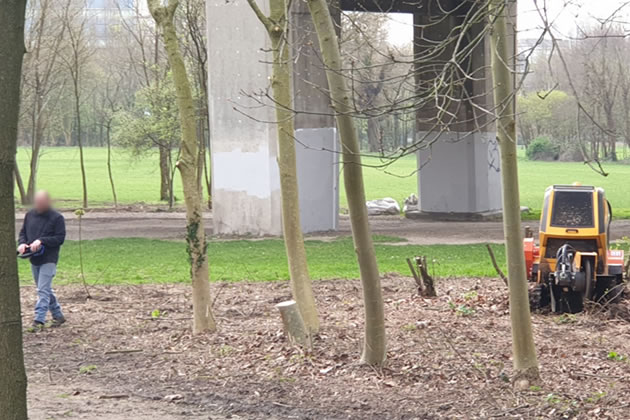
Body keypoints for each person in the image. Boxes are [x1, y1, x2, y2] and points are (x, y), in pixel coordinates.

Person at [18, 190, 67, 330]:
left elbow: (59, 238)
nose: (38, 205)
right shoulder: (30, 215)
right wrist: (22, 243)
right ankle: (58, 315)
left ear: (47, 202)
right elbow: (23, 233)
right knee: (44, 289)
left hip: (49, 258)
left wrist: (41, 241)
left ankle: (38, 321)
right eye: (37, 202)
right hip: (34, 258)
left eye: (41, 202)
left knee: (42, 290)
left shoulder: (57, 218)